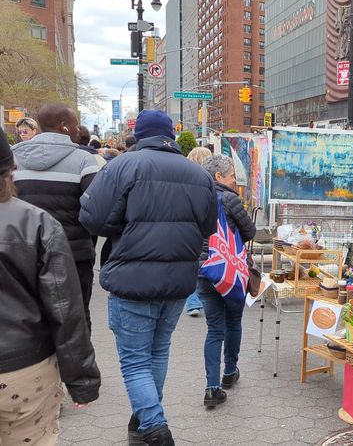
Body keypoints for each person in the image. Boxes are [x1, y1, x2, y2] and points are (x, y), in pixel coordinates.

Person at [80, 110, 217, 445]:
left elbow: (92, 218)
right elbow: (208, 227)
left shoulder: (122, 166)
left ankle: (156, 428)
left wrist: (123, 228)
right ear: (171, 135)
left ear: (139, 135)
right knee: (157, 351)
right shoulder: (198, 174)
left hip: (132, 280)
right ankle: (143, 420)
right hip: (177, 282)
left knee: (135, 360)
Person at [0, 127, 101, 445]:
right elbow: (64, 308)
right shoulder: (36, 223)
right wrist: (81, 379)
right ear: (9, 170)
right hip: (21, 372)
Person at [12, 104, 102, 333]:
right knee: (77, 318)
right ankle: (76, 368)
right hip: (74, 255)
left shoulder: (15, 158)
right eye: (74, 124)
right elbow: (97, 209)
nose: (77, 129)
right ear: (63, 126)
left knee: (30, 318)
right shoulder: (84, 160)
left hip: (24, 253)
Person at [195, 154, 256, 407]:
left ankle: (212, 388)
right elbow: (250, 231)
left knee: (214, 329)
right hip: (230, 272)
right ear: (218, 176)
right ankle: (229, 372)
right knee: (233, 322)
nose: (234, 180)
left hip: (205, 270)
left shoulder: (195, 196)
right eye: (231, 175)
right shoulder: (230, 199)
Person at [182, 147, 214, 317]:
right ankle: (204, 298)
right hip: (207, 227)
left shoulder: (183, 177)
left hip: (188, 228)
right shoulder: (211, 180)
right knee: (206, 260)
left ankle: (193, 302)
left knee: (191, 263)